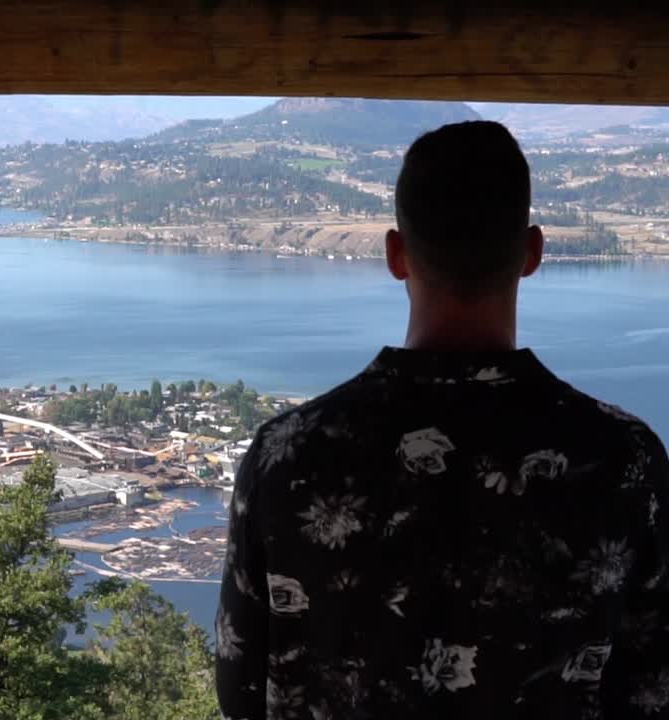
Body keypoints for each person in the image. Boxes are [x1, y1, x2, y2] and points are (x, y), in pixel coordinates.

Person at [216, 121, 669, 719]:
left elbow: (240, 689)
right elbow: (650, 692)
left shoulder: (287, 455)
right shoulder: (623, 460)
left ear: (395, 255)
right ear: (533, 253)